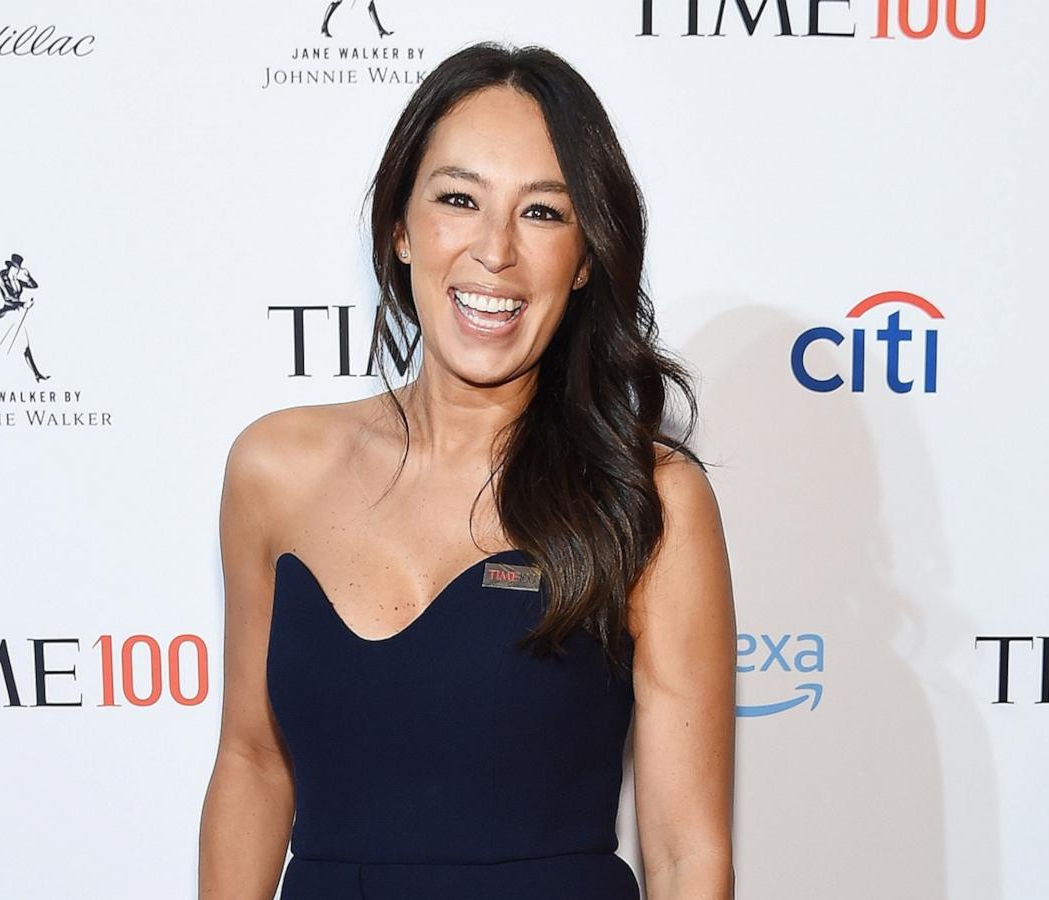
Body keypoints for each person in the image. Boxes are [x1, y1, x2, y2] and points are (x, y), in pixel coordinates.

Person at [198, 42, 735, 900]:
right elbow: (253, 761)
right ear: (402, 229)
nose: (495, 252)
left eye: (544, 214)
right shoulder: (275, 469)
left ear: (588, 256)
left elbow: (685, 853)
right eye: (458, 200)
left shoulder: (648, 496)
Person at [0, 253, 48, 383]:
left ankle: (37, 374)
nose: (17, 271)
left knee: (25, 346)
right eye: (15, 269)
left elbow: (34, 286)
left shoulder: (18, 280)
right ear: (10, 267)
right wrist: (23, 304)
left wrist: (28, 276)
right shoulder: (3, 278)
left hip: (17, 314)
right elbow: (8, 298)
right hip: (7, 314)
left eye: (19, 269)